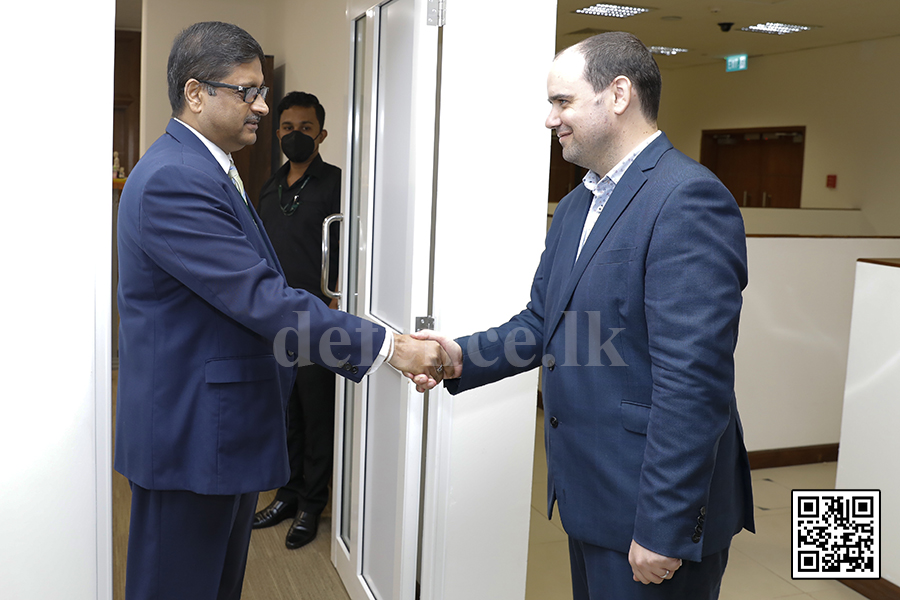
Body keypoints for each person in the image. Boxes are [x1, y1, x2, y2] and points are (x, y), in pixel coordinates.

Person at [413, 32, 754, 599]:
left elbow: (693, 383)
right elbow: (542, 324)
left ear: (618, 94)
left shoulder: (687, 198)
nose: (550, 118)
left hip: (650, 513)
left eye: (562, 101)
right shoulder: (577, 204)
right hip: (590, 496)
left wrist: (663, 526)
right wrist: (456, 357)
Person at [115, 21, 445, 600]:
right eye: (248, 91)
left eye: (261, 91)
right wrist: (390, 346)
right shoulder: (175, 180)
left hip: (221, 429)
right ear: (196, 93)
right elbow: (263, 299)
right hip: (193, 436)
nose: (262, 106)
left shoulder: (211, 168)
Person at [251, 92, 342, 549]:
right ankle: (287, 492)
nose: (295, 136)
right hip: (276, 318)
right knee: (286, 408)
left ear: (321, 134)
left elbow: (348, 249)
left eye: (305, 128)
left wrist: (338, 298)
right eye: (287, 128)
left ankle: (312, 502)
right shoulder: (270, 186)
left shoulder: (338, 184)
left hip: (319, 319)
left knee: (316, 409)